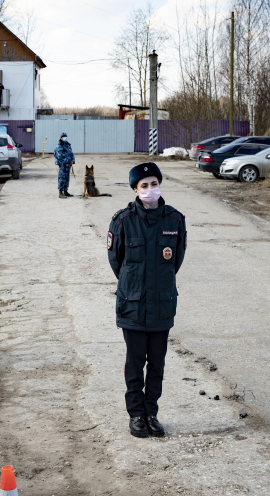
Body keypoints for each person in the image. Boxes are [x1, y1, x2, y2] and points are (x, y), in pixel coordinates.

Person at [106, 162, 186, 438]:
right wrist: (135, 284)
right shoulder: (123, 220)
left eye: (154, 184)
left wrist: (158, 285)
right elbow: (116, 261)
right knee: (135, 361)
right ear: (135, 190)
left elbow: (176, 261)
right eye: (144, 186)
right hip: (133, 304)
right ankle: (136, 415)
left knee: (158, 363)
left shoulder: (174, 220)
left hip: (162, 304)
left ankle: (152, 413)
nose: (150, 190)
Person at [53, 133, 75, 198]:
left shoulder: (68, 145)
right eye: (64, 136)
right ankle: (60, 192)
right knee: (62, 178)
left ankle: (65, 191)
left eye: (66, 136)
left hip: (68, 165)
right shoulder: (59, 146)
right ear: (61, 138)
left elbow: (71, 154)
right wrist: (68, 161)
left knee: (67, 178)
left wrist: (73, 160)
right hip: (62, 164)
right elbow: (59, 156)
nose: (65, 137)